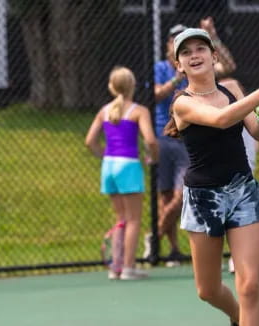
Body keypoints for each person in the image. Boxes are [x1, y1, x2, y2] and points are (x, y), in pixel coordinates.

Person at [165, 28, 259, 326]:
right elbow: (222, 120)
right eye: (186, 52)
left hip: (243, 192)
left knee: (249, 285)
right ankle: (236, 316)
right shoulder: (182, 103)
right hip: (203, 200)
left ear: (214, 56)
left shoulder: (232, 88)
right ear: (179, 66)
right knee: (207, 290)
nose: (194, 55)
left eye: (201, 48)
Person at [143, 19, 237, 267]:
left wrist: (214, 36)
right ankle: (172, 250)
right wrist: (176, 78)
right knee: (166, 198)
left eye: (194, 45)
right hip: (164, 137)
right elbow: (154, 94)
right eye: (177, 42)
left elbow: (228, 66)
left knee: (181, 195)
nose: (190, 52)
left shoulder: (200, 68)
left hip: (190, 141)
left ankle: (155, 235)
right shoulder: (162, 68)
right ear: (169, 49)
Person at [85, 66, 159, 280]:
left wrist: (104, 155)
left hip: (108, 166)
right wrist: (153, 157)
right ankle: (128, 267)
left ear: (111, 87)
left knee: (121, 218)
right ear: (132, 86)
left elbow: (90, 141)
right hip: (128, 166)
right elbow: (151, 140)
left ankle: (115, 267)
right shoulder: (139, 111)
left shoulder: (104, 111)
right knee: (134, 219)